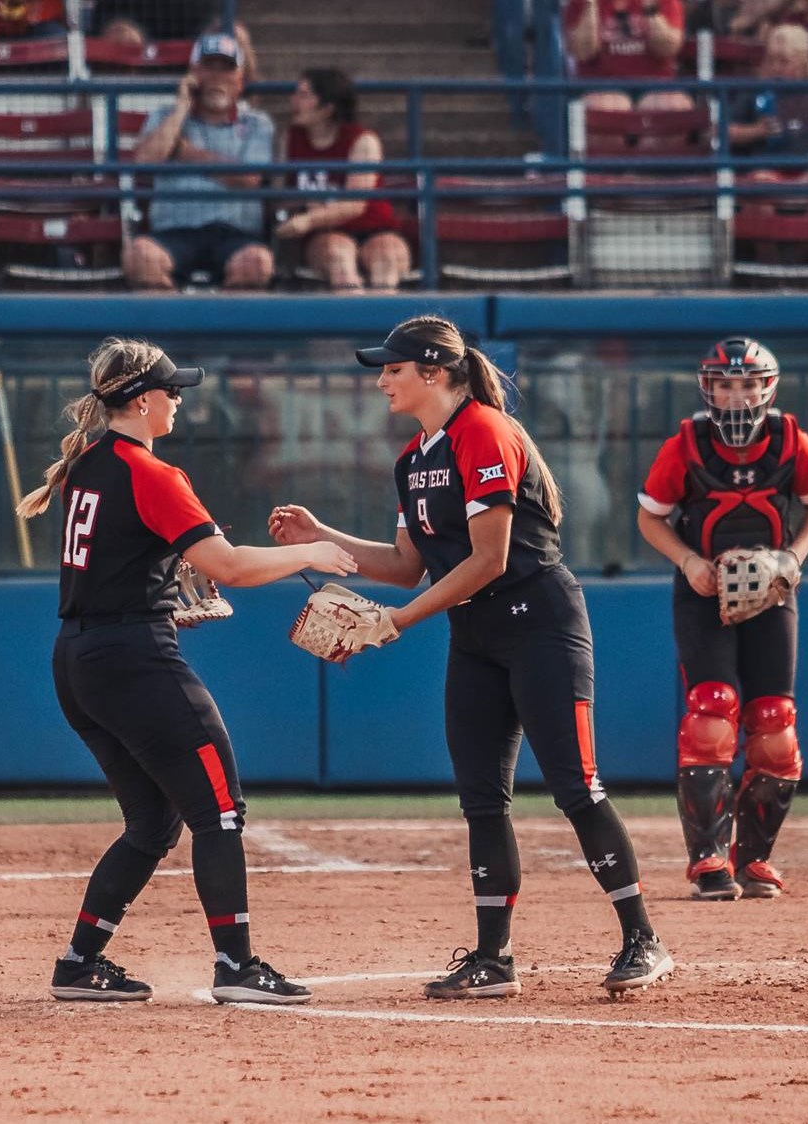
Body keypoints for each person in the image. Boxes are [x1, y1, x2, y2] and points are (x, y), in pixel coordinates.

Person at [267, 315, 674, 1000]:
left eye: (392, 370)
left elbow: (488, 560)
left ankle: (643, 938)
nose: (383, 383)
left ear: (432, 372)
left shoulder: (483, 430)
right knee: (482, 800)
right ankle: (493, 958)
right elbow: (403, 567)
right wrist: (319, 536)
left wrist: (396, 624)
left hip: (539, 623)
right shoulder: (414, 457)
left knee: (576, 787)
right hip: (477, 636)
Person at [16, 338, 356, 1004]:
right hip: (131, 659)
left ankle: (79, 963)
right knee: (220, 811)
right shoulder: (151, 473)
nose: (178, 401)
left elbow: (120, 565)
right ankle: (237, 967)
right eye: (172, 392)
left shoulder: (86, 464)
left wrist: (161, 602)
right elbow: (230, 567)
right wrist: (316, 551)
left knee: (152, 824)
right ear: (141, 401)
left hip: (81, 659)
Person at [635, 338, 808, 900]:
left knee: (774, 722)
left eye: (747, 383)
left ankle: (755, 860)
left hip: (773, 591)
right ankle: (707, 862)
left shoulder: (791, 440)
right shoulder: (687, 444)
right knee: (712, 713)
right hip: (703, 590)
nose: (736, 394)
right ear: (708, 387)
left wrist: (793, 557)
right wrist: (689, 561)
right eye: (725, 384)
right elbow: (650, 518)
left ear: (767, 386)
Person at [124, 33, 275, 292]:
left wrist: (184, 153)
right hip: (174, 232)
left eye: (226, 69)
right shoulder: (165, 116)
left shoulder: (256, 123)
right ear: (193, 74)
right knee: (140, 257)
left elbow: (249, 179)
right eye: (208, 68)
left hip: (235, 234)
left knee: (256, 263)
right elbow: (145, 162)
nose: (217, 77)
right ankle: (167, 330)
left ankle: (227, 331)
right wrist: (182, 107)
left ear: (240, 81)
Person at [276, 68, 410, 293]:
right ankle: (355, 324)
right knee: (338, 255)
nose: (293, 100)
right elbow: (279, 195)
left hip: (374, 226)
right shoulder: (290, 138)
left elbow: (355, 205)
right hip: (324, 233)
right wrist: (299, 207)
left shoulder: (363, 140)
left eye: (303, 95)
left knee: (387, 255)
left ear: (328, 107)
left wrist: (309, 218)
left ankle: (386, 325)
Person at [727, 25, 808, 160]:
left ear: (802, 61)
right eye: (771, 60)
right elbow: (725, 132)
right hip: (768, 168)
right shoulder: (756, 90)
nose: (776, 68)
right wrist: (758, 131)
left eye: (783, 61)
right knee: (762, 177)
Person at [562, 0, 692, 113]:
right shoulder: (579, 3)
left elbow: (668, 49)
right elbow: (583, 52)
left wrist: (651, 10)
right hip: (600, 86)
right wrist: (590, 6)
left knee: (673, 105)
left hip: (655, 85)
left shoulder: (666, 2)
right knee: (606, 105)